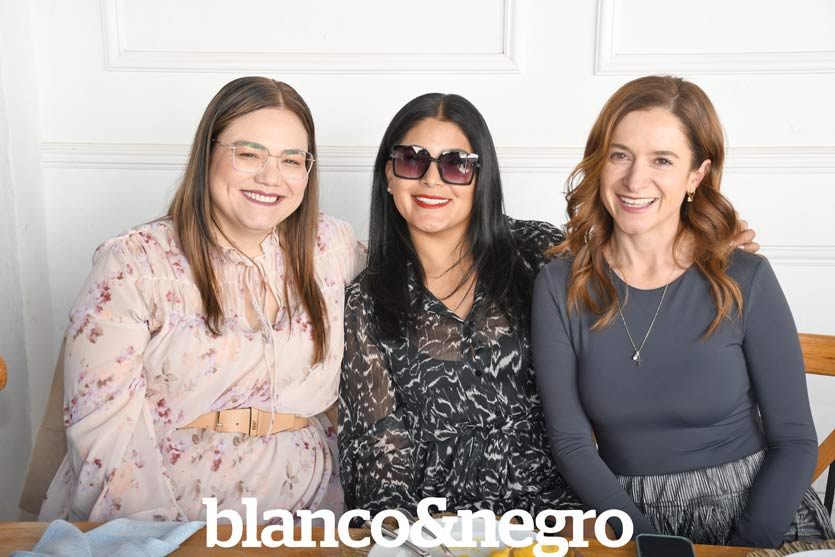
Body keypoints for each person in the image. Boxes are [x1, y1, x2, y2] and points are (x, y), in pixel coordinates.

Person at [337, 92, 759, 517]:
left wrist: (700, 248)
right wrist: (417, 535)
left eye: (455, 164)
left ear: (482, 178)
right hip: (438, 524)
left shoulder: (538, 253)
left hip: (561, 513)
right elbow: (377, 452)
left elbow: (637, 275)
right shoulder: (365, 302)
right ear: (389, 175)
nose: (432, 180)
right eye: (411, 160)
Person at [38, 77, 364, 521]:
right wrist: (160, 539)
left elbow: (421, 283)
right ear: (207, 153)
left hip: (311, 510)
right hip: (168, 513)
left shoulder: (332, 247)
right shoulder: (135, 263)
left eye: (292, 160)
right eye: (249, 154)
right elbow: (102, 435)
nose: (271, 178)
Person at [531, 75, 835, 548]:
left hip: (761, 513)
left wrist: (743, 550)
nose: (635, 180)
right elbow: (570, 444)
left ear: (696, 175)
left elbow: (793, 441)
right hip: (625, 518)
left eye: (662, 160)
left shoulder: (745, 276)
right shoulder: (559, 285)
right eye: (620, 155)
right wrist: (647, 543)